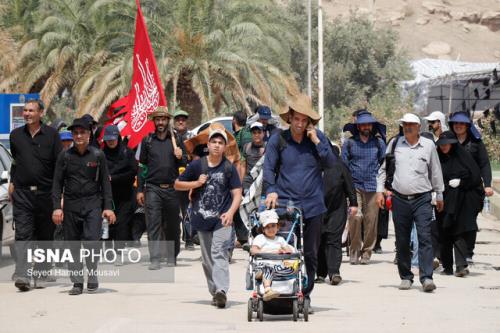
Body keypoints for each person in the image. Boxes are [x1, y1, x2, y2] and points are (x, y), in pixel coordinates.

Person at [263, 93, 336, 304]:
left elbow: (331, 164)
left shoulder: (318, 138)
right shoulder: (279, 139)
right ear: (290, 118)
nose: (300, 124)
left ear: (309, 122)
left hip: (313, 204)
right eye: (297, 119)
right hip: (286, 204)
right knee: (284, 249)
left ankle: (306, 293)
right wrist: (271, 190)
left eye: (305, 121)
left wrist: (316, 141)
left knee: (311, 254)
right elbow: (268, 167)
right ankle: (283, 291)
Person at [175, 125, 242, 309]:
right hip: (202, 219)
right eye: (214, 142)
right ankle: (215, 292)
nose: (217, 145)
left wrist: (230, 213)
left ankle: (221, 291)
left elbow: (237, 193)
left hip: (222, 220)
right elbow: (177, 184)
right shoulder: (198, 165)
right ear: (208, 144)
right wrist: (196, 183)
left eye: (221, 142)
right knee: (207, 259)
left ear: (224, 146)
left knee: (219, 253)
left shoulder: (228, 168)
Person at [376, 113, 444, 293]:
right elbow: (383, 169)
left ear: (418, 128)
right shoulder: (395, 144)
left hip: (422, 199)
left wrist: (440, 195)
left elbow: (435, 171)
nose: (408, 127)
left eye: (411, 125)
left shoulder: (428, 146)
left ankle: (427, 277)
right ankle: (406, 276)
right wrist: (379, 191)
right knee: (403, 239)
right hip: (399, 199)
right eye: (405, 125)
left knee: (424, 237)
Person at [52, 117, 116, 295]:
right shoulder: (65, 156)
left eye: (83, 132)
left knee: (91, 242)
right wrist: (57, 206)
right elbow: (57, 184)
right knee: (72, 245)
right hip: (71, 205)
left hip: (92, 204)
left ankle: (93, 274)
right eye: (76, 132)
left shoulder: (98, 155)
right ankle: (77, 283)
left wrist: (108, 207)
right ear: (72, 135)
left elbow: (105, 183)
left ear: (89, 134)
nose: (79, 135)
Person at [9, 99, 63, 291]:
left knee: (45, 235)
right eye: (24, 110)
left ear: (41, 113)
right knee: (23, 234)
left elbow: (59, 166)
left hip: (46, 194)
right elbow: (16, 161)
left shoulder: (52, 135)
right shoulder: (15, 136)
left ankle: (41, 271)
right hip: (23, 193)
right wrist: (12, 182)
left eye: (31, 110)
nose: (27, 113)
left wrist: (60, 194)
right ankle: (22, 274)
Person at [136, 106, 186, 269]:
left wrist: (181, 156)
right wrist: (139, 190)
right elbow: (142, 166)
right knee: (154, 224)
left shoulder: (177, 140)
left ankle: (172, 256)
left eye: (163, 119)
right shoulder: (147, 141)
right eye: (157, 119)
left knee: (172, 225)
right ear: (154, 121)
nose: (160, 122)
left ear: (167, 121)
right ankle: (155, 258)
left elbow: (185, 164)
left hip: (172, 189)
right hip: (152, 189)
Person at [436, 131, 484, 277]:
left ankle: (461, 266)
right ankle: (447, 266)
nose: (444, 147)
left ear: (453, 144)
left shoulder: (464, 157)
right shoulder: (437, 158)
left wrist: (461, 182)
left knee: (459, 233)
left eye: (446, 144)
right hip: (442, 199)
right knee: (444, 232)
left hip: (461, 201)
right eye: (441, 144)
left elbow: (475, 178)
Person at [342, 110, 386, 265]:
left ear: (372, 126)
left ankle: (367, 252)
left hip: (373, 187)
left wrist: (384, 187)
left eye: (368, 124)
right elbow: (344, 165)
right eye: (363, 124)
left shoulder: (379, 143)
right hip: (355, 186)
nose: (366, 126)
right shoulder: (349, 143)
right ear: (358, 126)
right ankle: (354, 250)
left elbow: (383, 165)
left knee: (371, 221)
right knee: (355, 217)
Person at [448, 111, 493, 262]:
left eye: (461, 124)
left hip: (472, 189)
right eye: (456, 123)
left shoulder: (476, 143)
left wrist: (487, 185)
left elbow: (485, 164)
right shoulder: (448, 141)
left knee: (469, 221)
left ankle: (468, 252)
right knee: (452, 220)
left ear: (467, 126)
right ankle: (451, 253)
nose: (458, 126)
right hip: (453, 188)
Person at [317, 146, 358, 285]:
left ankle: (334, 272)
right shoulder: (313, 164)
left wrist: (353, 203)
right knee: (319, 240)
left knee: (333, 240)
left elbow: (349, 185)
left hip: (336, 209)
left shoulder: (340, 165)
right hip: (317, 209)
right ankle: (320, 273)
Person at [102, 125, 137, 262]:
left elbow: (133, 171)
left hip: (125, 195)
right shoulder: (101, 154)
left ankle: (119, 252)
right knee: (107, 224)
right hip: (107, 195)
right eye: (108, 139)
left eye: (113, 139)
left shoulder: (127, 153)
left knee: (122, 224)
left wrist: (114, 178)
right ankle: (109, 251)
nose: (110, 142)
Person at [250, 209, 296, 301]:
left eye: (273, 226)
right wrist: (270, 253)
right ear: (263, 229)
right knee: (268, 269)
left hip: (277, 267)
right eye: (267, 227)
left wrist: (285, 251)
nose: (271, 229)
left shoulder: (280, 240)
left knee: (292, 269)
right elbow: (253, 250)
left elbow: (290, 250)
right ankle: (267, 290)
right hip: (262, 267)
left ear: (278, 227)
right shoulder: (260, 238)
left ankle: (290, 289)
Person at [173, 109, 193, 249]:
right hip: (172, 178)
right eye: (178, 119)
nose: (181, 121)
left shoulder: (192, 136)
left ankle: (189, 238)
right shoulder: (169, 137)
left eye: (183, 119)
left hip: (187, 178)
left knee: (187, 209)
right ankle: (175, 238)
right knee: (173, 211)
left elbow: (196, 157)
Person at [241, 122, 266, 193]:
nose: (256, 135)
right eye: (254, 133)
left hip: (262, 183)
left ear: (263, 133)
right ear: (251, 134)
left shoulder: (268, 147)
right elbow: (243, 166)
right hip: (248, 183)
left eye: (259, 132)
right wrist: (241, 183)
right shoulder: (246, 147)